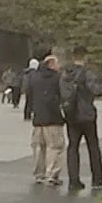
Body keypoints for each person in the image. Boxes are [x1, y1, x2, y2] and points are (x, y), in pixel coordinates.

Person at [60, 46, 102, 191]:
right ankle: (97, 179)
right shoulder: (86, 74)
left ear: (73, 57)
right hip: (86, 115)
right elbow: (97, 90)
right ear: (85, 57)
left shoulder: (64, 75)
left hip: (71, 114)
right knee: (93, 146)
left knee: (73, 147)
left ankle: (74, 181)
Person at [22, 54, 67, 186]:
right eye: (57, 64)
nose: (59, 67)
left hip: (38, 118)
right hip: (53, 118)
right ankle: (52, 174)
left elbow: (29, 95)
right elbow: (61, 96)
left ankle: (39, 174)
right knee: (55, 146)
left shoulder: (34, 78)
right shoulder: (57, 79)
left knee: (38, 147)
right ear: (51, 64)